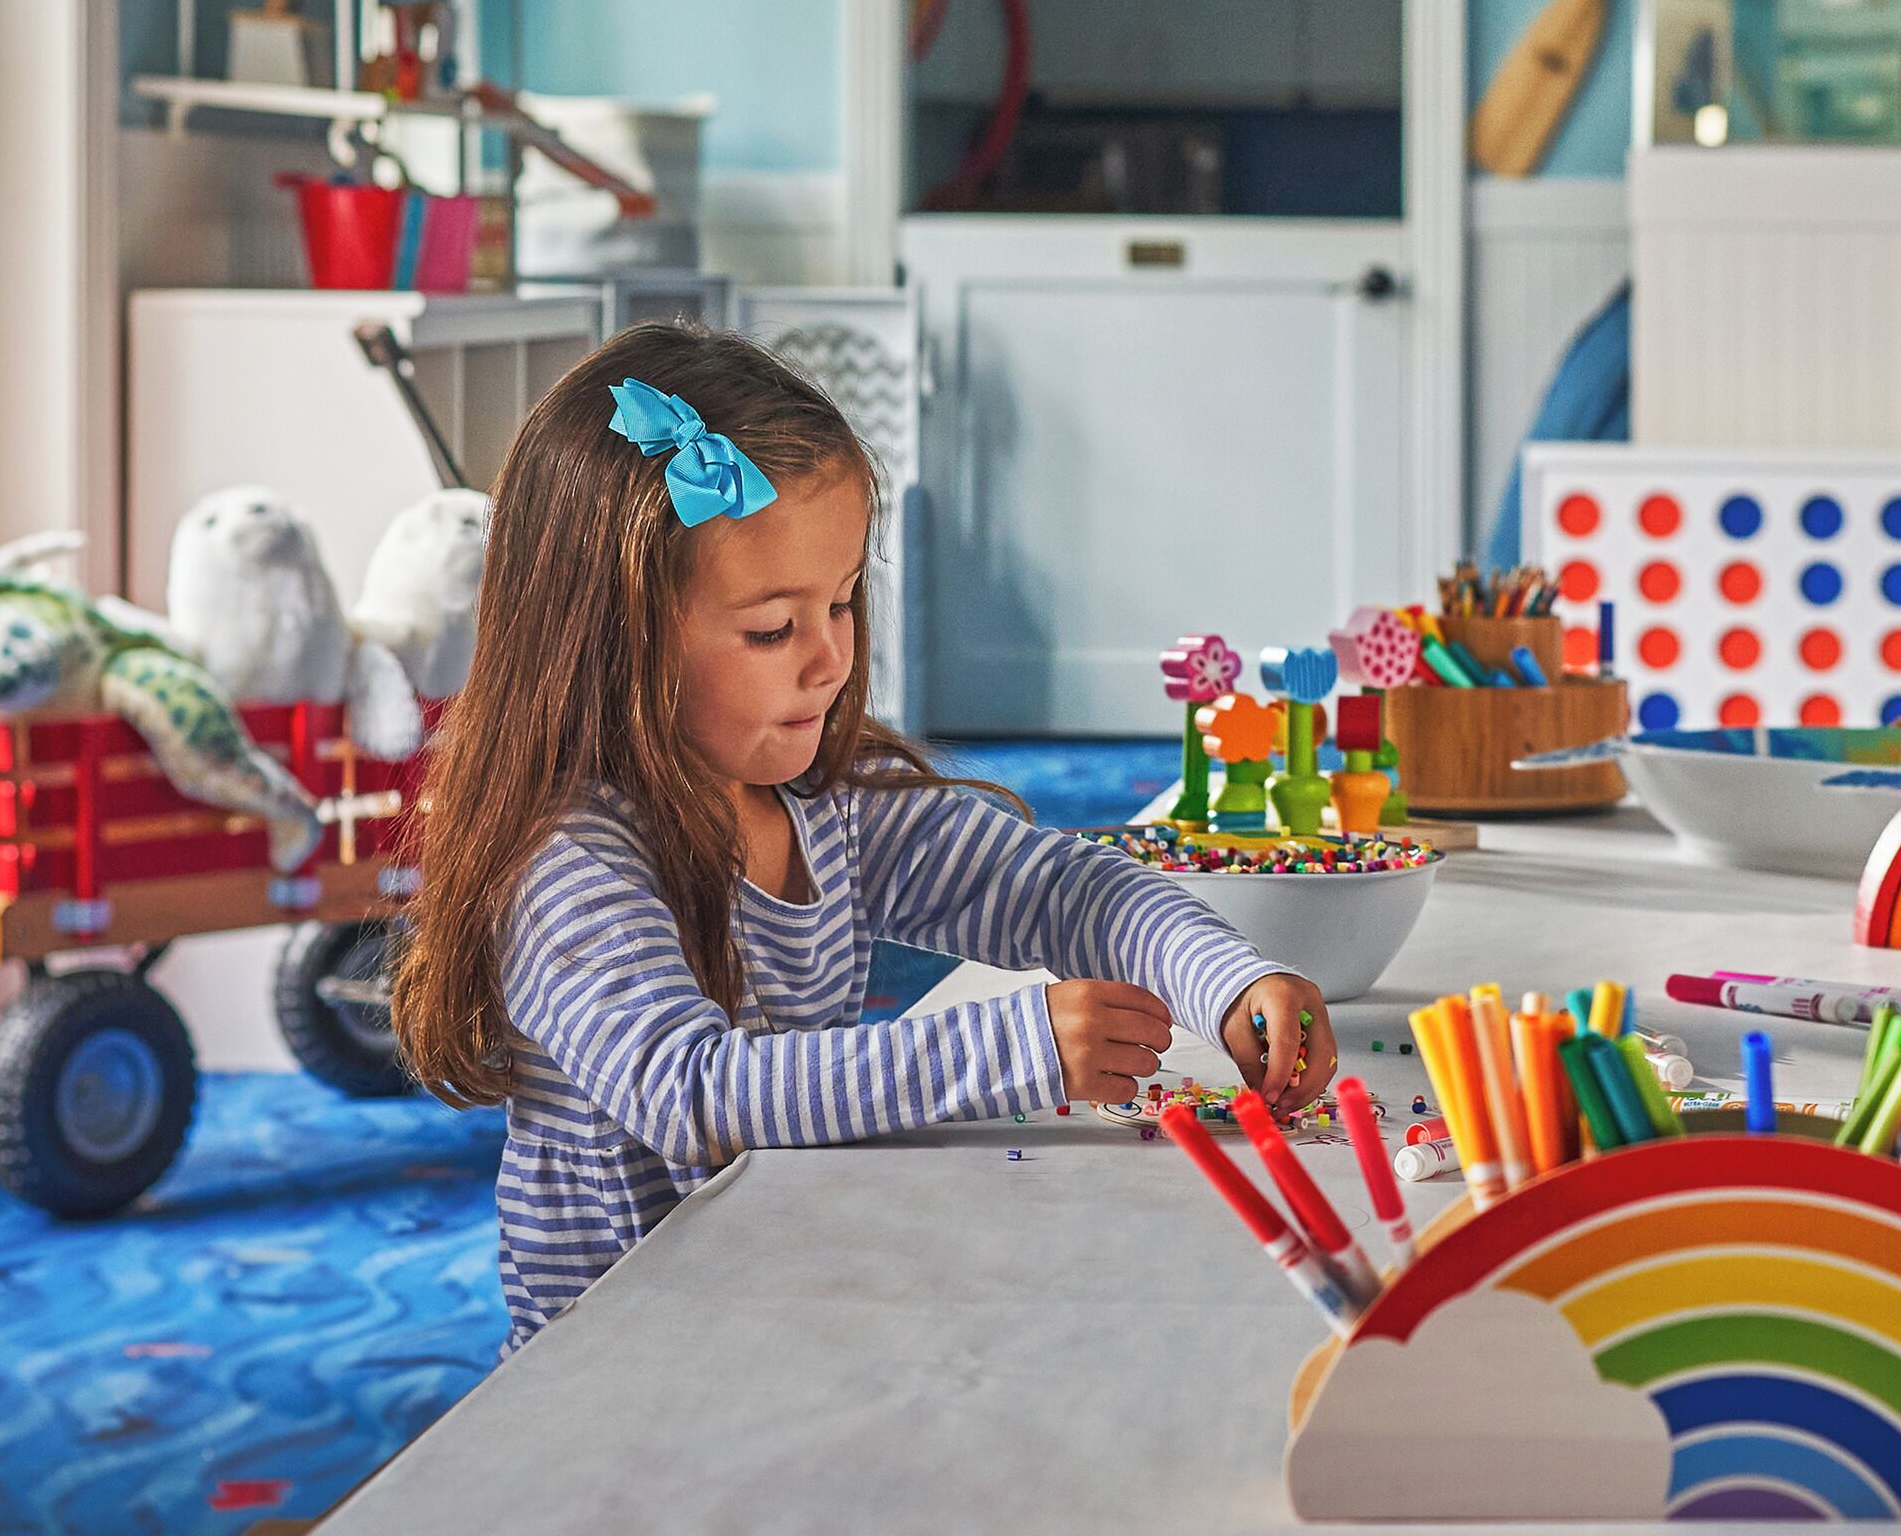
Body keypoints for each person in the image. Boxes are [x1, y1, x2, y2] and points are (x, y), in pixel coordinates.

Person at [395, 324, 1330, 1348]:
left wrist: (1226, 980)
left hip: (781, 1302)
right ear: (612, 639)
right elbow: (692, 1093)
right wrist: (1012, 1045)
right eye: (772, 629)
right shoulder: (566, 861)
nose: (831, 659)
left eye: (841, 603)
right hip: (621, 1358)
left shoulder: (820, 800)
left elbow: (1060, 889)